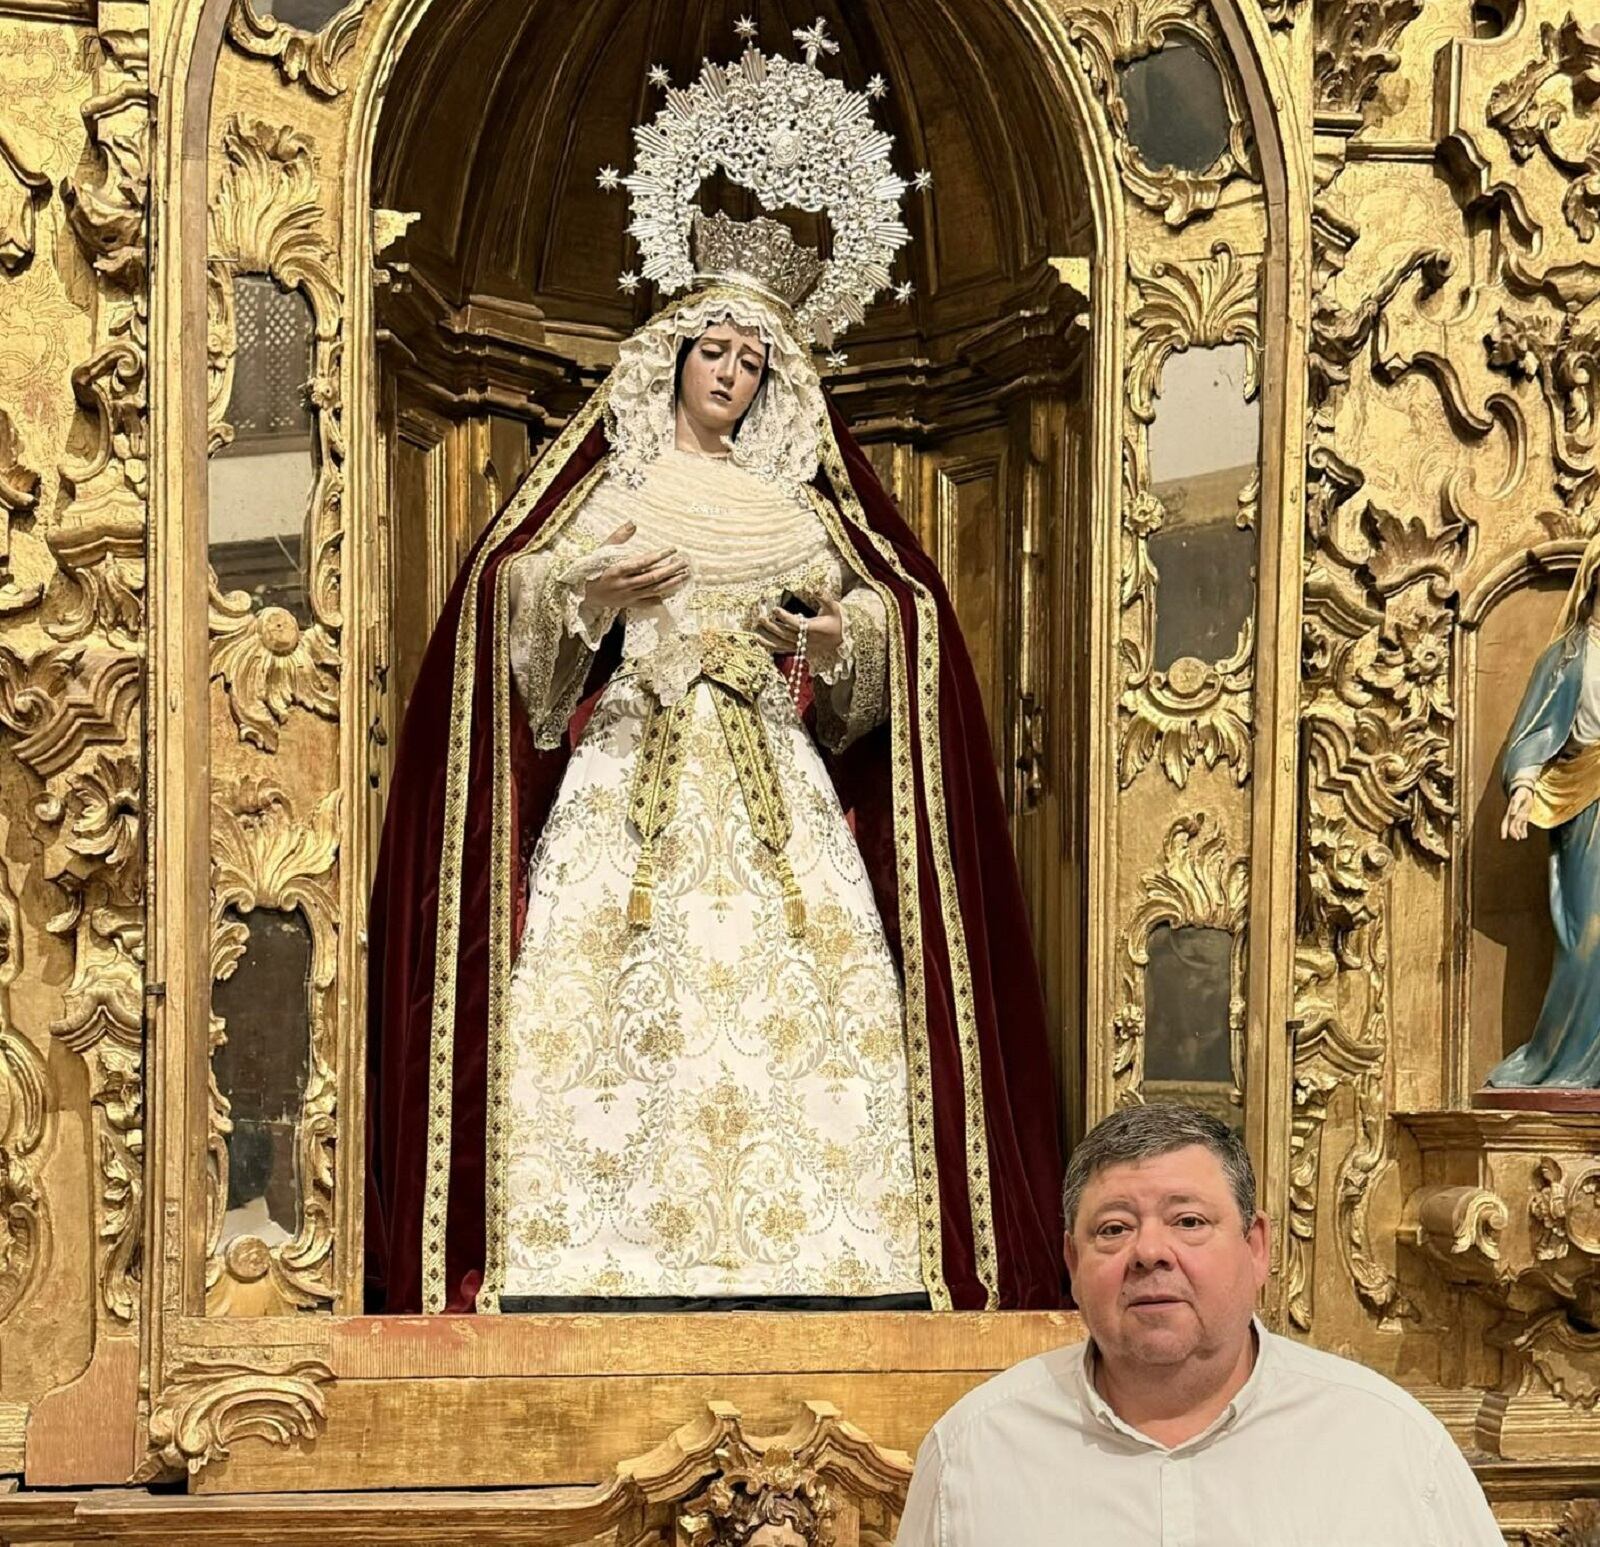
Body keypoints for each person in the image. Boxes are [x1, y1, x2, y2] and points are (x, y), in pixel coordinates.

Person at [363, 23, 1064, 1316]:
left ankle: (825, 1251)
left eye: (753, 363)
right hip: (631, 773)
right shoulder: (619, 485)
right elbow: (513, 604)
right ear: (674, 357)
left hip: (772, 792)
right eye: (715, 354)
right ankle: (595, 1249)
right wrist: (586, 595)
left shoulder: (801, 511)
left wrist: (840, 644)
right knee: (617, 1001)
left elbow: (890, 633)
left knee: (800, 1003)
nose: (732, 378)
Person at [895, 1104, 1503, 1546]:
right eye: (1113, 1229)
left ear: (1257, 1247)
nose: (1150, 1252)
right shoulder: (974, 1451)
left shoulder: (1388, 1446)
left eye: (1188, 1221)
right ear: (1073, 1265)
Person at [1492, 537, 1600, 1087]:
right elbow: (1535, 731)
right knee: (1590, 938)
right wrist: (1524, 788)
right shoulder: (1569, 657)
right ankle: (1567, 1061)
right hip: (1589, 804)